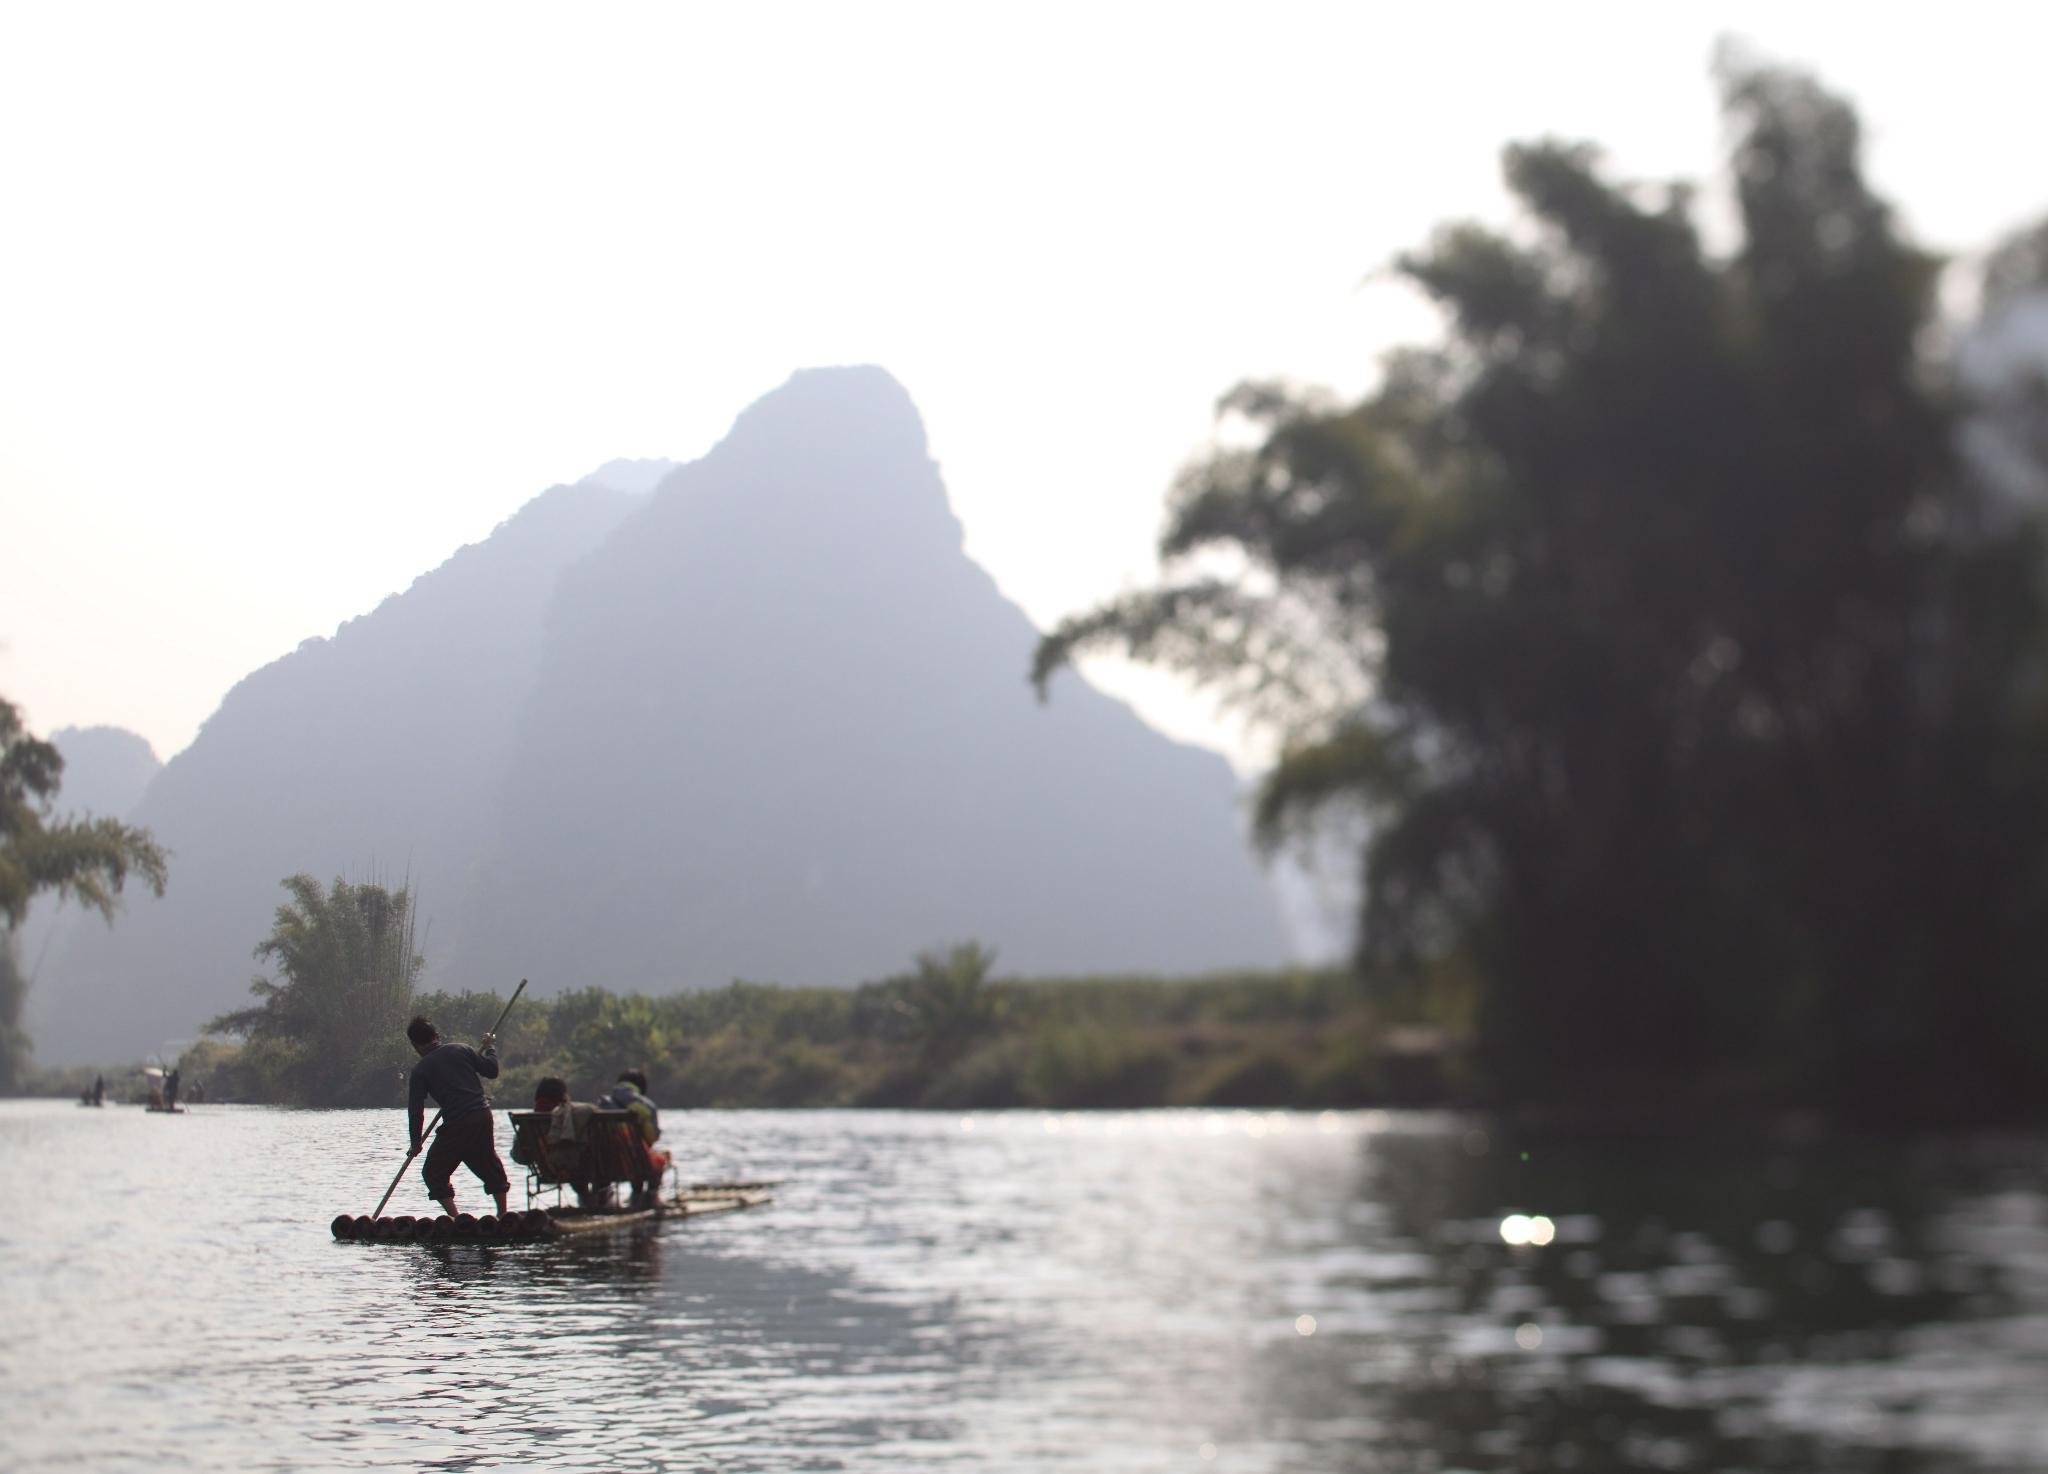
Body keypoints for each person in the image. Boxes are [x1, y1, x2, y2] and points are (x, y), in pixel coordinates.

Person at [405, 1014, 511, 1218]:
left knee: (433, 1173)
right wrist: (490, 1047)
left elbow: (415, 1110)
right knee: (488, 1165)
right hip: (482, 1116)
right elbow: (492, 1069)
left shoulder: (420, 1069)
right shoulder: (461, 1049)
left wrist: (415, 1142)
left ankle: (455, 1220)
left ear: (414, 1045)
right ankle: (503, 1214)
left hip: (459, 1122)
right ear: (436, 1035)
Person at [603, 1070, 670, 1208]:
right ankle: (647, 1196)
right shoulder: (646, 1106)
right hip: (637, 1163)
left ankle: (603, 1198)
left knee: (632, 1153)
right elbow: (651, 1139)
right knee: (656, 1157)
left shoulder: (602, 1103)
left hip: (606, 1163)